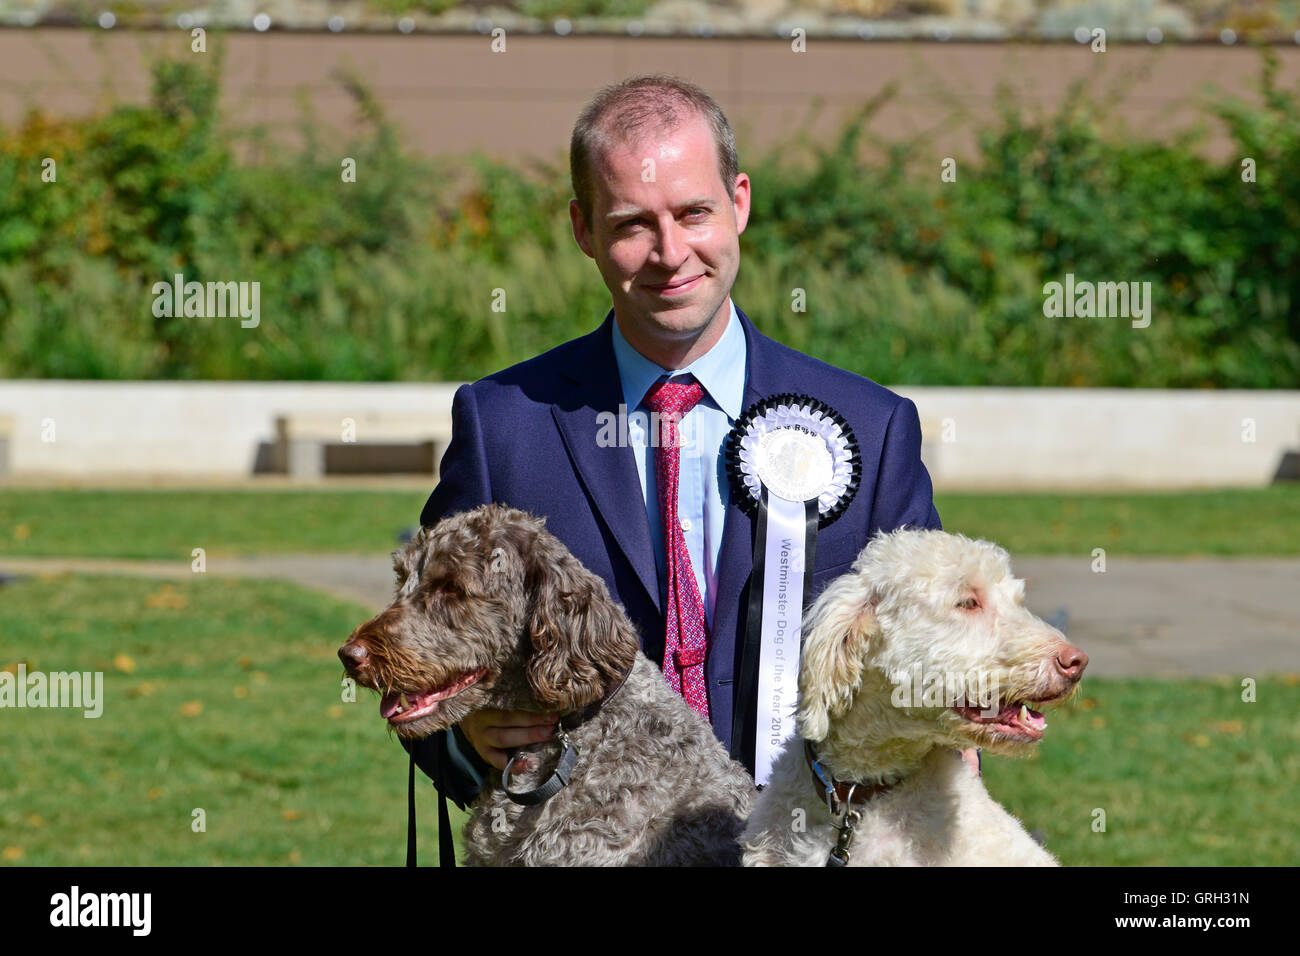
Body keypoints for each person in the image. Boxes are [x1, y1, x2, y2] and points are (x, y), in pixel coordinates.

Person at [405, 74, 972, 808]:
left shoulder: (873, 428)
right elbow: (419, 653)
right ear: (582, 230)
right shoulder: (501, 424)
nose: (671, 253)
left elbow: (938, 655)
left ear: (739, 202)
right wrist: (466, 736)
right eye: (632, 224)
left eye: (693, 212)